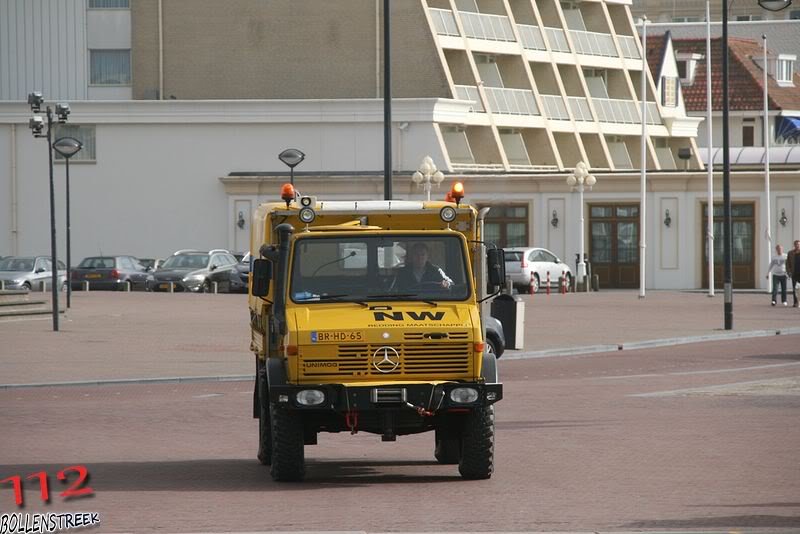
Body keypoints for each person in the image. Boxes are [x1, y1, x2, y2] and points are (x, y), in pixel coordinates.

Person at [789, 240, 800, 307]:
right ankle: (796, 302)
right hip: (794, 274)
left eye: (798, 244)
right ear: (794, 245)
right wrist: (789, 272)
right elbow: (787, 263)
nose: (797, 245)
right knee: (795, 289)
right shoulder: (790, 253)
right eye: (796, 244)